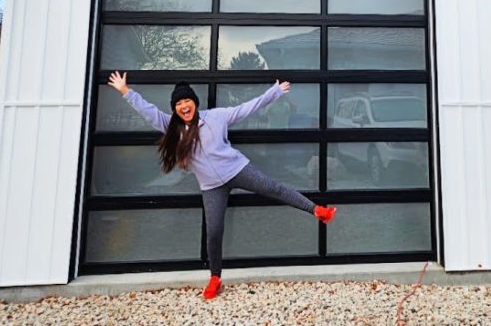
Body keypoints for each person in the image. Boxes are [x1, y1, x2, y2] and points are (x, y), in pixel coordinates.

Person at [107, 71, 337, 300]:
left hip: (237, 169)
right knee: (214, 231)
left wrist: (274, 92)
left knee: (273, 188)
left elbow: (248, 108)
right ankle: (215, 278)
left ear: (195, 103)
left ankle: (317, 210)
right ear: (175, 109)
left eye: (187, 100)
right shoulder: (171, 127)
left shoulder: (216, 117)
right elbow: (148, 111)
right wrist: (125, 91)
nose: (183, 106)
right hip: (211, 186)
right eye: (178, 103)